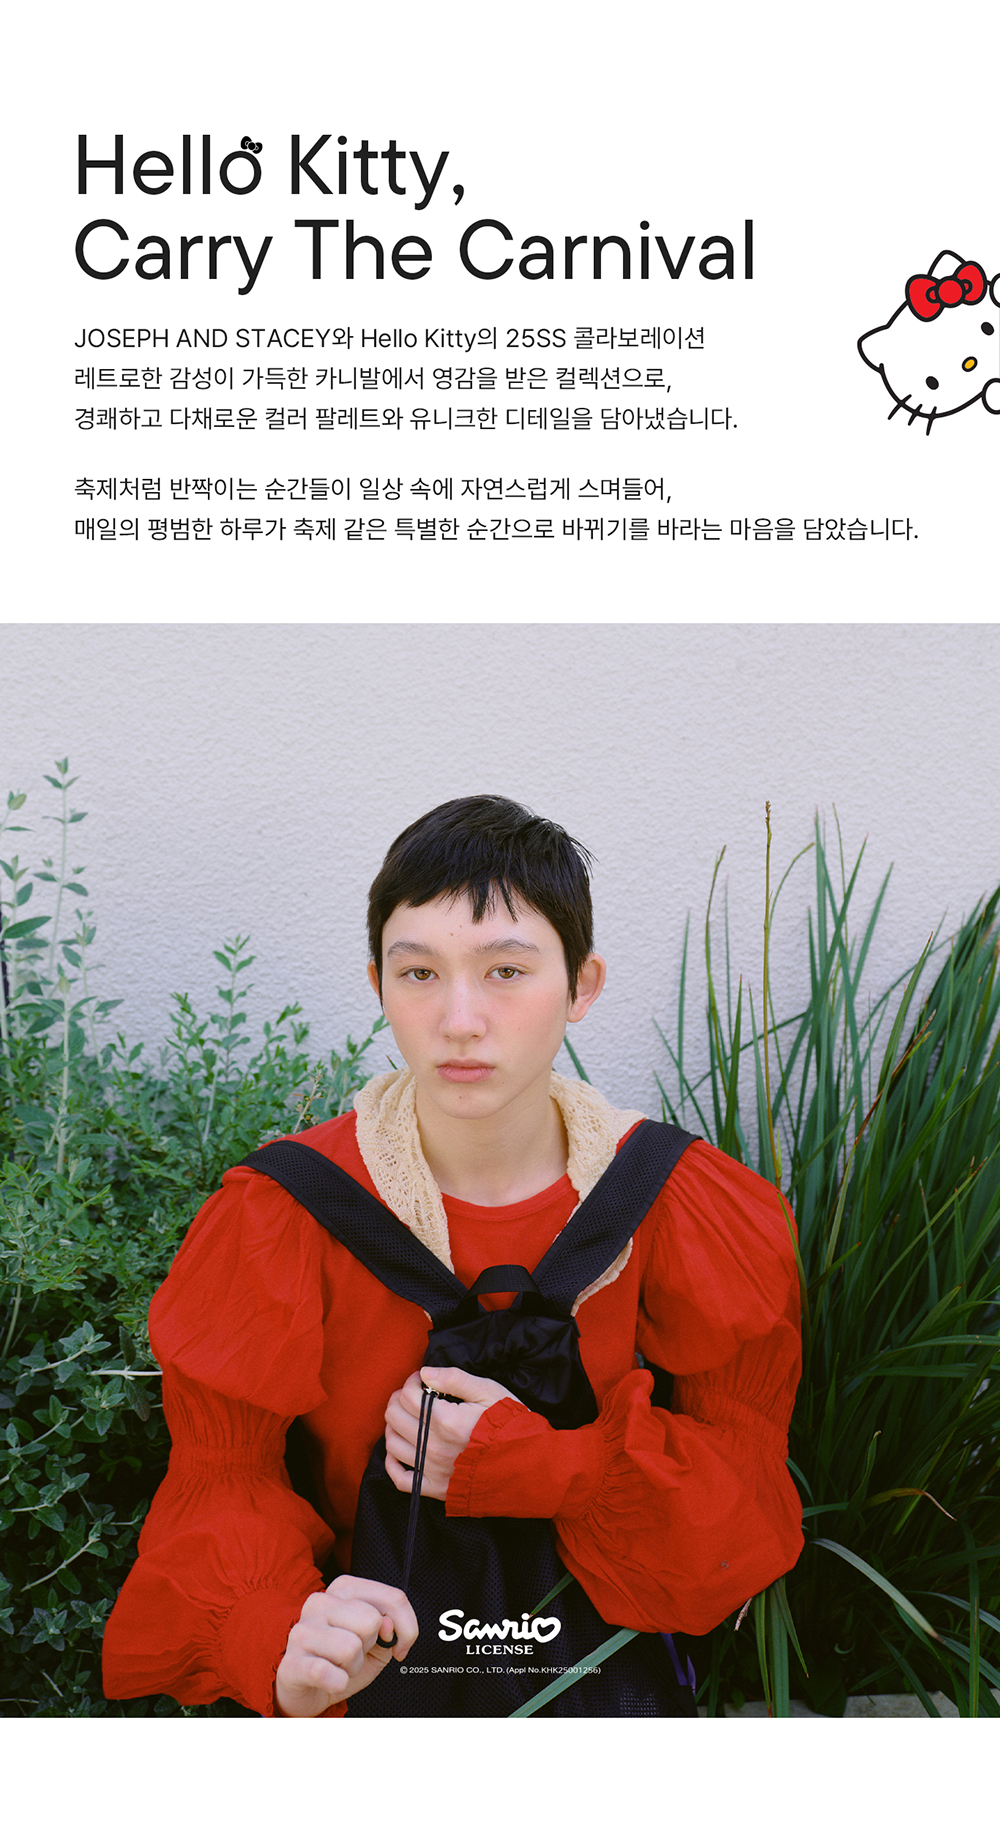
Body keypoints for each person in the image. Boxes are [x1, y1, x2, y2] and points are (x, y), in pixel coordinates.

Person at [102, 795, 804, 1717]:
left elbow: (743, 1489)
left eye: (506, 970)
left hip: (594, 1671)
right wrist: (276, 1636)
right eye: (419, 973)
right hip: (361, 1669)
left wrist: (550, 1469)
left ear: (582, 985)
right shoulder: (283, 1212)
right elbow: (221, 1482)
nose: (460, 1018)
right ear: (377, 983)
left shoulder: (678, 1199)